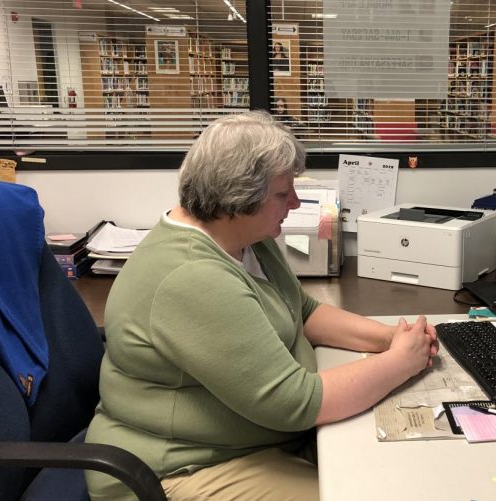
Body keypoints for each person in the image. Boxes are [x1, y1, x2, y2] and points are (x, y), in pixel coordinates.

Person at [85, 112, 440, 500]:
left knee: (405, 471)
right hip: (182, 467)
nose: (296, 202)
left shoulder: (247, 237)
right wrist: (400, 362)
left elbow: (301, 311)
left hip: (257, 440)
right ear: (237, 197)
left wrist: (391, 339)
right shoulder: (190, 276)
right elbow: (294, 403)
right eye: (282, 194)